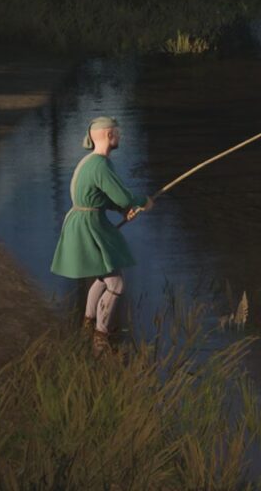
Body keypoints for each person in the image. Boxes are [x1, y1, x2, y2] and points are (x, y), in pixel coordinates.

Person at [49, 116, 154, 353]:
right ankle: (100, 336)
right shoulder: (100, 165)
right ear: (108, 135)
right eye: (117, 132)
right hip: (89, 225)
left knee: (102, 275)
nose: (120, 136)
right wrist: (141, 202)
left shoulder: (89, 162)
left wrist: (122, 211)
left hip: (85, 221)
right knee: (116, 284)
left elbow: (102, 197)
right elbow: (122, 196)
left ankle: (87, 325)